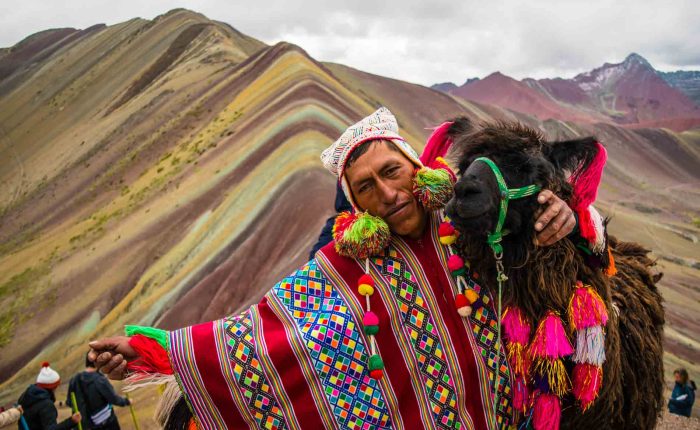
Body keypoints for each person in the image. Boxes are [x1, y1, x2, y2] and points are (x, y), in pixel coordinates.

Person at [87, 107, 583, 429]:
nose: (387, 194)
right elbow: (263, 335)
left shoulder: (471, 216)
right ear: (355, 207)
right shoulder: (344, 267)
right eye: (366, 187)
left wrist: (568, 216)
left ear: (418, 169)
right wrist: (150, 351)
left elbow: (541, 212)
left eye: (392, 172)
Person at [66, 354, 131, 429]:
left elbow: (69, 402)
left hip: (86, 426)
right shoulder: (99, 380)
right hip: (107, 423)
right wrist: (126, 401)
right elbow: (113, 399)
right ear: (98, 363)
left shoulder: (74, 380)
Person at [17, 362, 81, 430]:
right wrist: (71, 421)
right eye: (56, 386)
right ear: (53, 387)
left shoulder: (25, 398)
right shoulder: (46, 405)